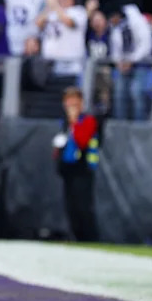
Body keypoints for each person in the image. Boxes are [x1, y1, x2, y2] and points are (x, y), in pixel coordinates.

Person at [54, 87, 100, 241]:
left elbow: (82, 141)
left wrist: (74, 123)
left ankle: (90, 239)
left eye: (75, 103)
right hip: (68, 169)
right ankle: (76, 237)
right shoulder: (63, 123)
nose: (71, 107)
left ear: (81, 104)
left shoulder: (88, 121)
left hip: (83, 169)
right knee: (71, 207)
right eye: (69, 103)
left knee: (83, 207)